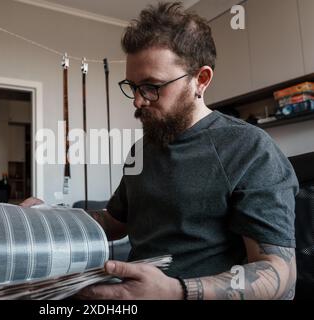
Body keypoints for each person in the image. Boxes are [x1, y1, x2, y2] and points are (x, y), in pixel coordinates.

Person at [21, 2, 299, 300]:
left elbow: (278, 271)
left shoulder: (249, 148)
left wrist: (178, 291)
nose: (138, 101)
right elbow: (115, 222)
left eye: (152, 86)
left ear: (201, 80)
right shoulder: (142, 149)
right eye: (133, 86)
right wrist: (50, 217)